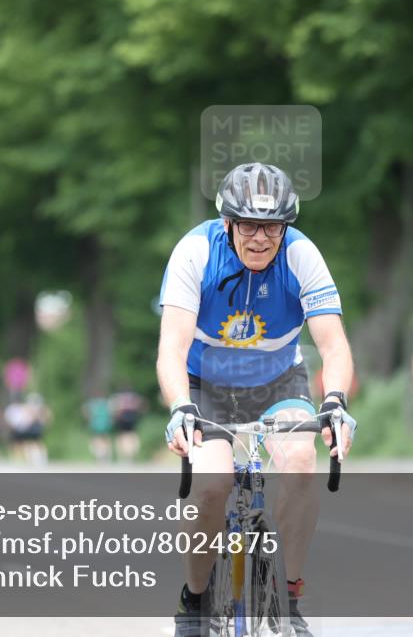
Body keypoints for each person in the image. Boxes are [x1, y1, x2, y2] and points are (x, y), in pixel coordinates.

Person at [158, 162, 356, 637]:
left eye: (272, 227)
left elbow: (333, 344)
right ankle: (195, 599)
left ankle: (288, 596)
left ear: (286, 226)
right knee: (210, 485)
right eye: (249, 226)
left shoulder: (302, 255)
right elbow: (172, 346)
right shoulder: (195, 252)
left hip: (278, 384)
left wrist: (334, 400)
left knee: (301, 461)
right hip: (206, 385)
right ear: (228, 222)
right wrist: (180, 406)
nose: (261, 238)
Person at [109, 385, 146, 461]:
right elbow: (142, 405)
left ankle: (123, 454)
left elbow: (114, 409)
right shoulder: (134, 397)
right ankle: (132, 453)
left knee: (122, 435)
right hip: (132, 416)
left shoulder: (118, 397)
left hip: (122, 417)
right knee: (132, 434)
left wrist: (114, 418)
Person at [83, 393, 113, 463]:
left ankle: (98, 454)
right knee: (105, 438)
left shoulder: (92, 403)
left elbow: (85, 410)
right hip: (105, 423)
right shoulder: (106, 403)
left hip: (95, 423)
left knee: (96, 438)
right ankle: (106, 454)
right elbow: (111, 412)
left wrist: (88, 419)